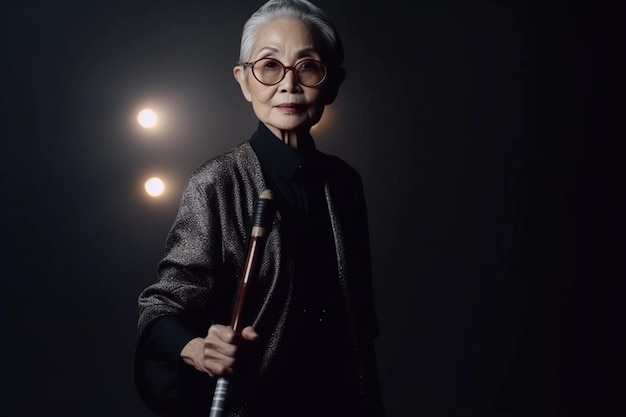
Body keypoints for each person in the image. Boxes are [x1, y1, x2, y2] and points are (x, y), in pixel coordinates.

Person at [134, 1, 385, 416]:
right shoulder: (216, 181)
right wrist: (197, 348)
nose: (288, 85)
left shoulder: (344, 183)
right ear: (244, 81)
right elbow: (162, 307)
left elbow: (357, 321)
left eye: (307, 66)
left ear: (333, 83)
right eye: (269, 66)